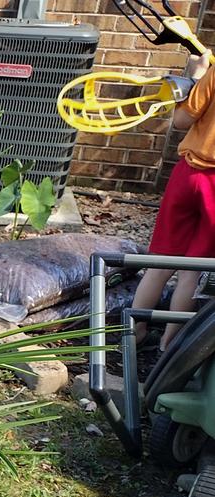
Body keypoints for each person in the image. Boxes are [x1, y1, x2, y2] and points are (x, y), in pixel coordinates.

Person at [131, 51, 215, 350]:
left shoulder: (214, 72)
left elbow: (181, 120)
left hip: (189, 173)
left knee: (161, 262)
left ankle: (134, 334)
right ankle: (169, 344)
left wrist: (195, 76)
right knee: (193, 270)